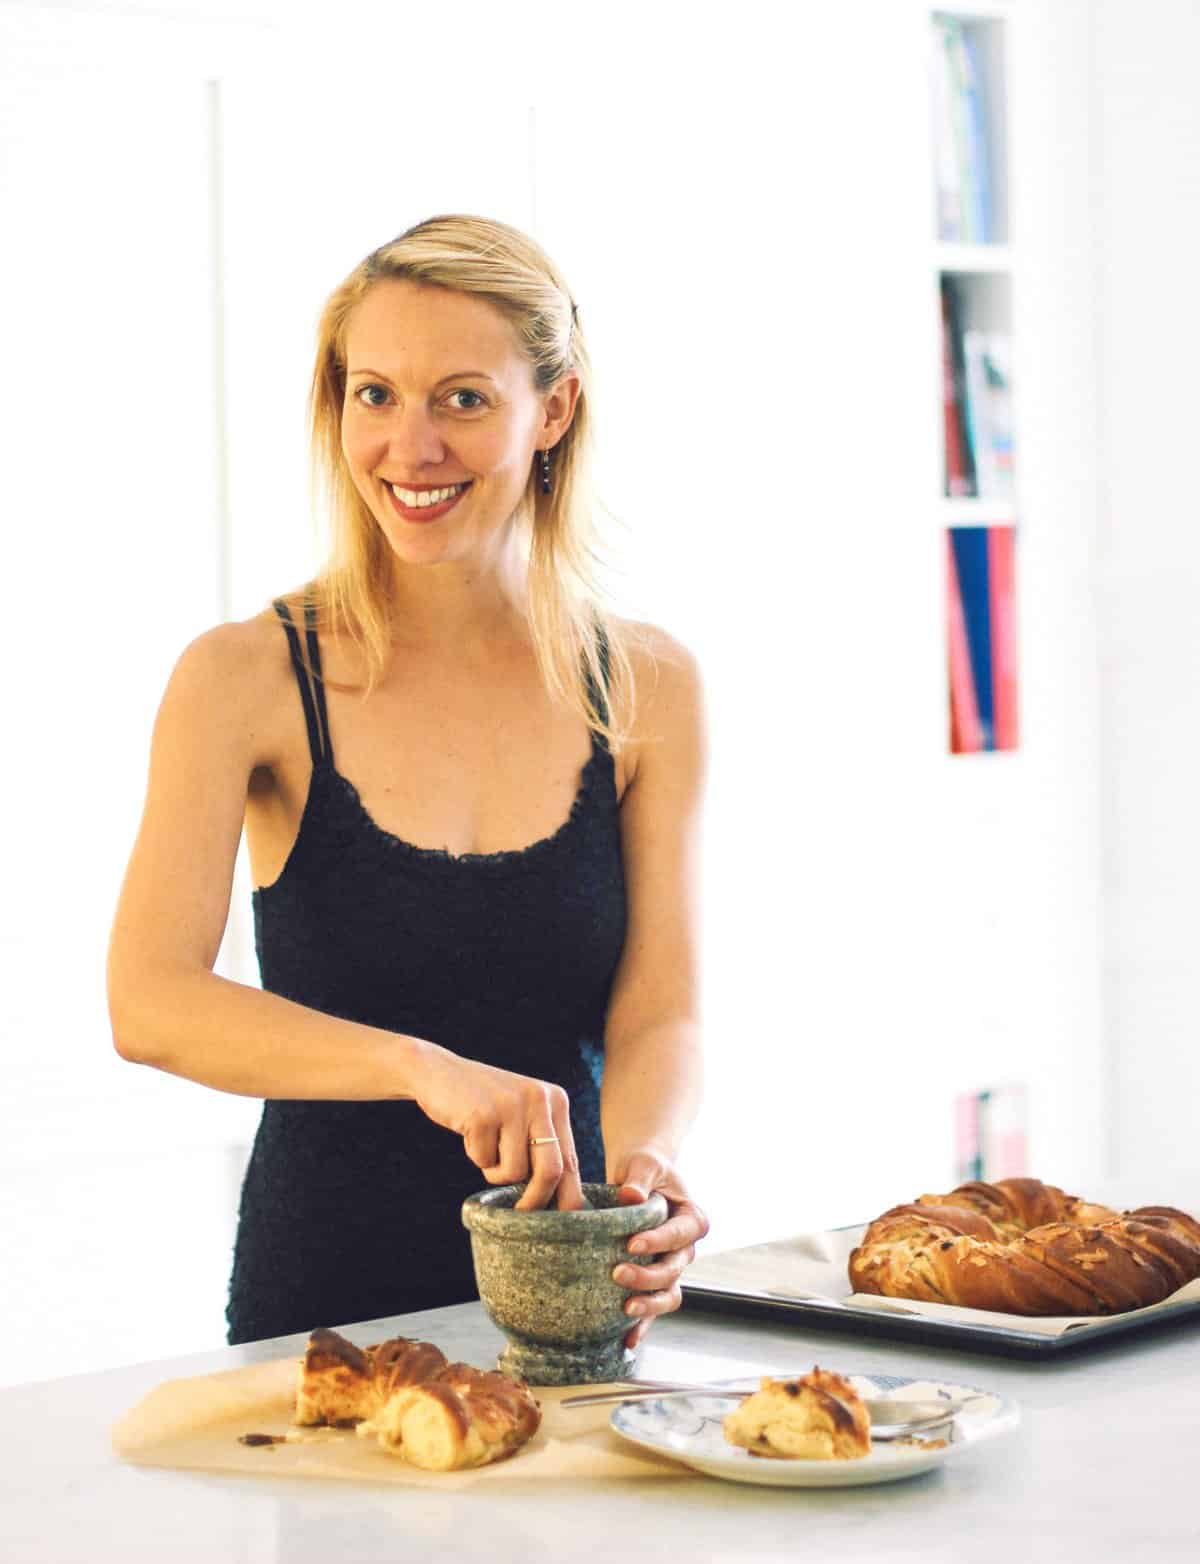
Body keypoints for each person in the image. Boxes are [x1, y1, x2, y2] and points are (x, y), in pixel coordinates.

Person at [107, 213, 708, 1350]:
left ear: (555, 409)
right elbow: (148, 1002)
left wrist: (652, 1163)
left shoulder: (649, 685)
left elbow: (660, 1006)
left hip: (575, 1306)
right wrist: (419, 1068)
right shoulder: (244, 676)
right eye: (374, 394)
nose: (409, 446)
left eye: (462, 399)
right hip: (323, 1311)